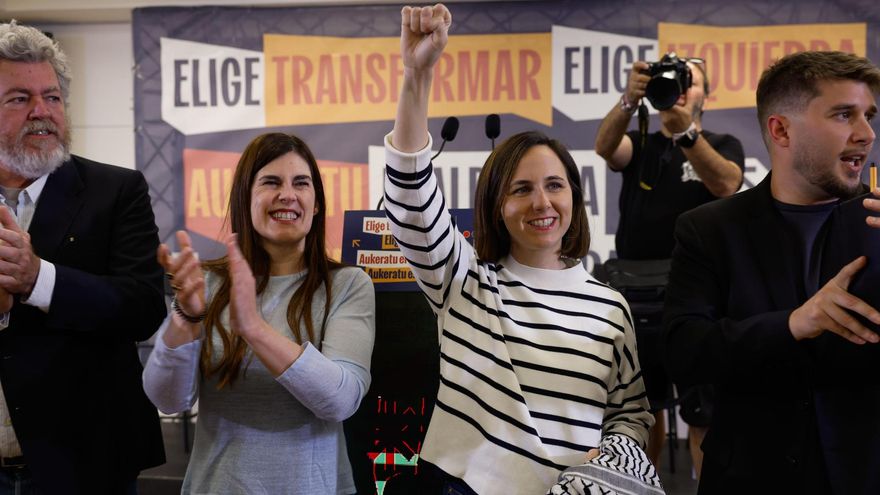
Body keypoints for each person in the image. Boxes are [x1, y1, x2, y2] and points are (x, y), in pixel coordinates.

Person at [384, 5, 655, 495]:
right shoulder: (462, 280)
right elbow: (409, 198)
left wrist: (608, 460)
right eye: (520, 189)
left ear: (575, 194)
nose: (542, 202)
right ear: (495, 205)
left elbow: (631, 414)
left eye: (555, 185)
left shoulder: (611, 307)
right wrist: (416, 74)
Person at [662, 50, 880, 494]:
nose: (866, 134)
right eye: (844, 115)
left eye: (869, 115)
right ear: (781, 129)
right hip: (750, 478)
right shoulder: (709, 229)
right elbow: (684, 350)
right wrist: (793, 324)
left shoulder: (878, 221)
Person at [142, 132, 376, 494]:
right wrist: (185, 320)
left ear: (315, 204)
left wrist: (253, 327)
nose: (288, 194)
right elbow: (168, 399)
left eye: (301, 183)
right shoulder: (209, 281)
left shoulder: (347, 285)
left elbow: (340, 400)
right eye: (271, 182)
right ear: (245, 199)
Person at [0, 21, 167, 494]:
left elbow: (142, 307)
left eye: (52, 97)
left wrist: (38, 280)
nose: (42, 112)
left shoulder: (115, 191)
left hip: (83, 464)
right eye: (19, 99)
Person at [594, 55, 745, 472]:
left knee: (703, 410)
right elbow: (606, 147)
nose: (680, 90)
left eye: (690, 82)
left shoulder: (721, 143)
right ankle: (643, 484)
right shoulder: (641, 140)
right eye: (673, 81)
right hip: (638, 297)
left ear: (705, 97)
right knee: (643, 410)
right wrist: (629, 100)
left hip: (699, 294)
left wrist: (687, 134)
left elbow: (727, 183)